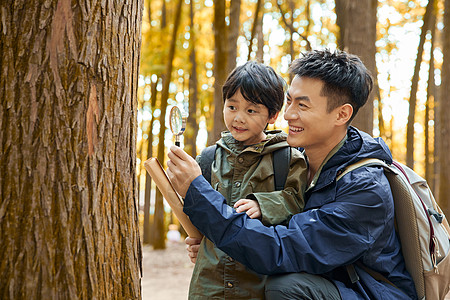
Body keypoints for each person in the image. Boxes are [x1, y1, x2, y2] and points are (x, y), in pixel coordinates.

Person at [167, 49, 417, 299]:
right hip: (326, 278)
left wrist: (198, 193)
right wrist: (216, 244)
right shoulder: (289, 159)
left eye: (302, 105)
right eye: (289, 101)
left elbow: (279, 249)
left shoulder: (365, 190)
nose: (287, 115)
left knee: (287, 289)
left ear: (342, 114)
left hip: (368, 291)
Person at [188, 61, 307, 299]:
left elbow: (296, 200)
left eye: (251, 111)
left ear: (272, 115)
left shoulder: (287, 158)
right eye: (232, 107)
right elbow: (199, 211)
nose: (238, 118)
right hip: (209, 283)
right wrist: (195, 239)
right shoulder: (209, 158)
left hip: (257, 283)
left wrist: (262, 204)